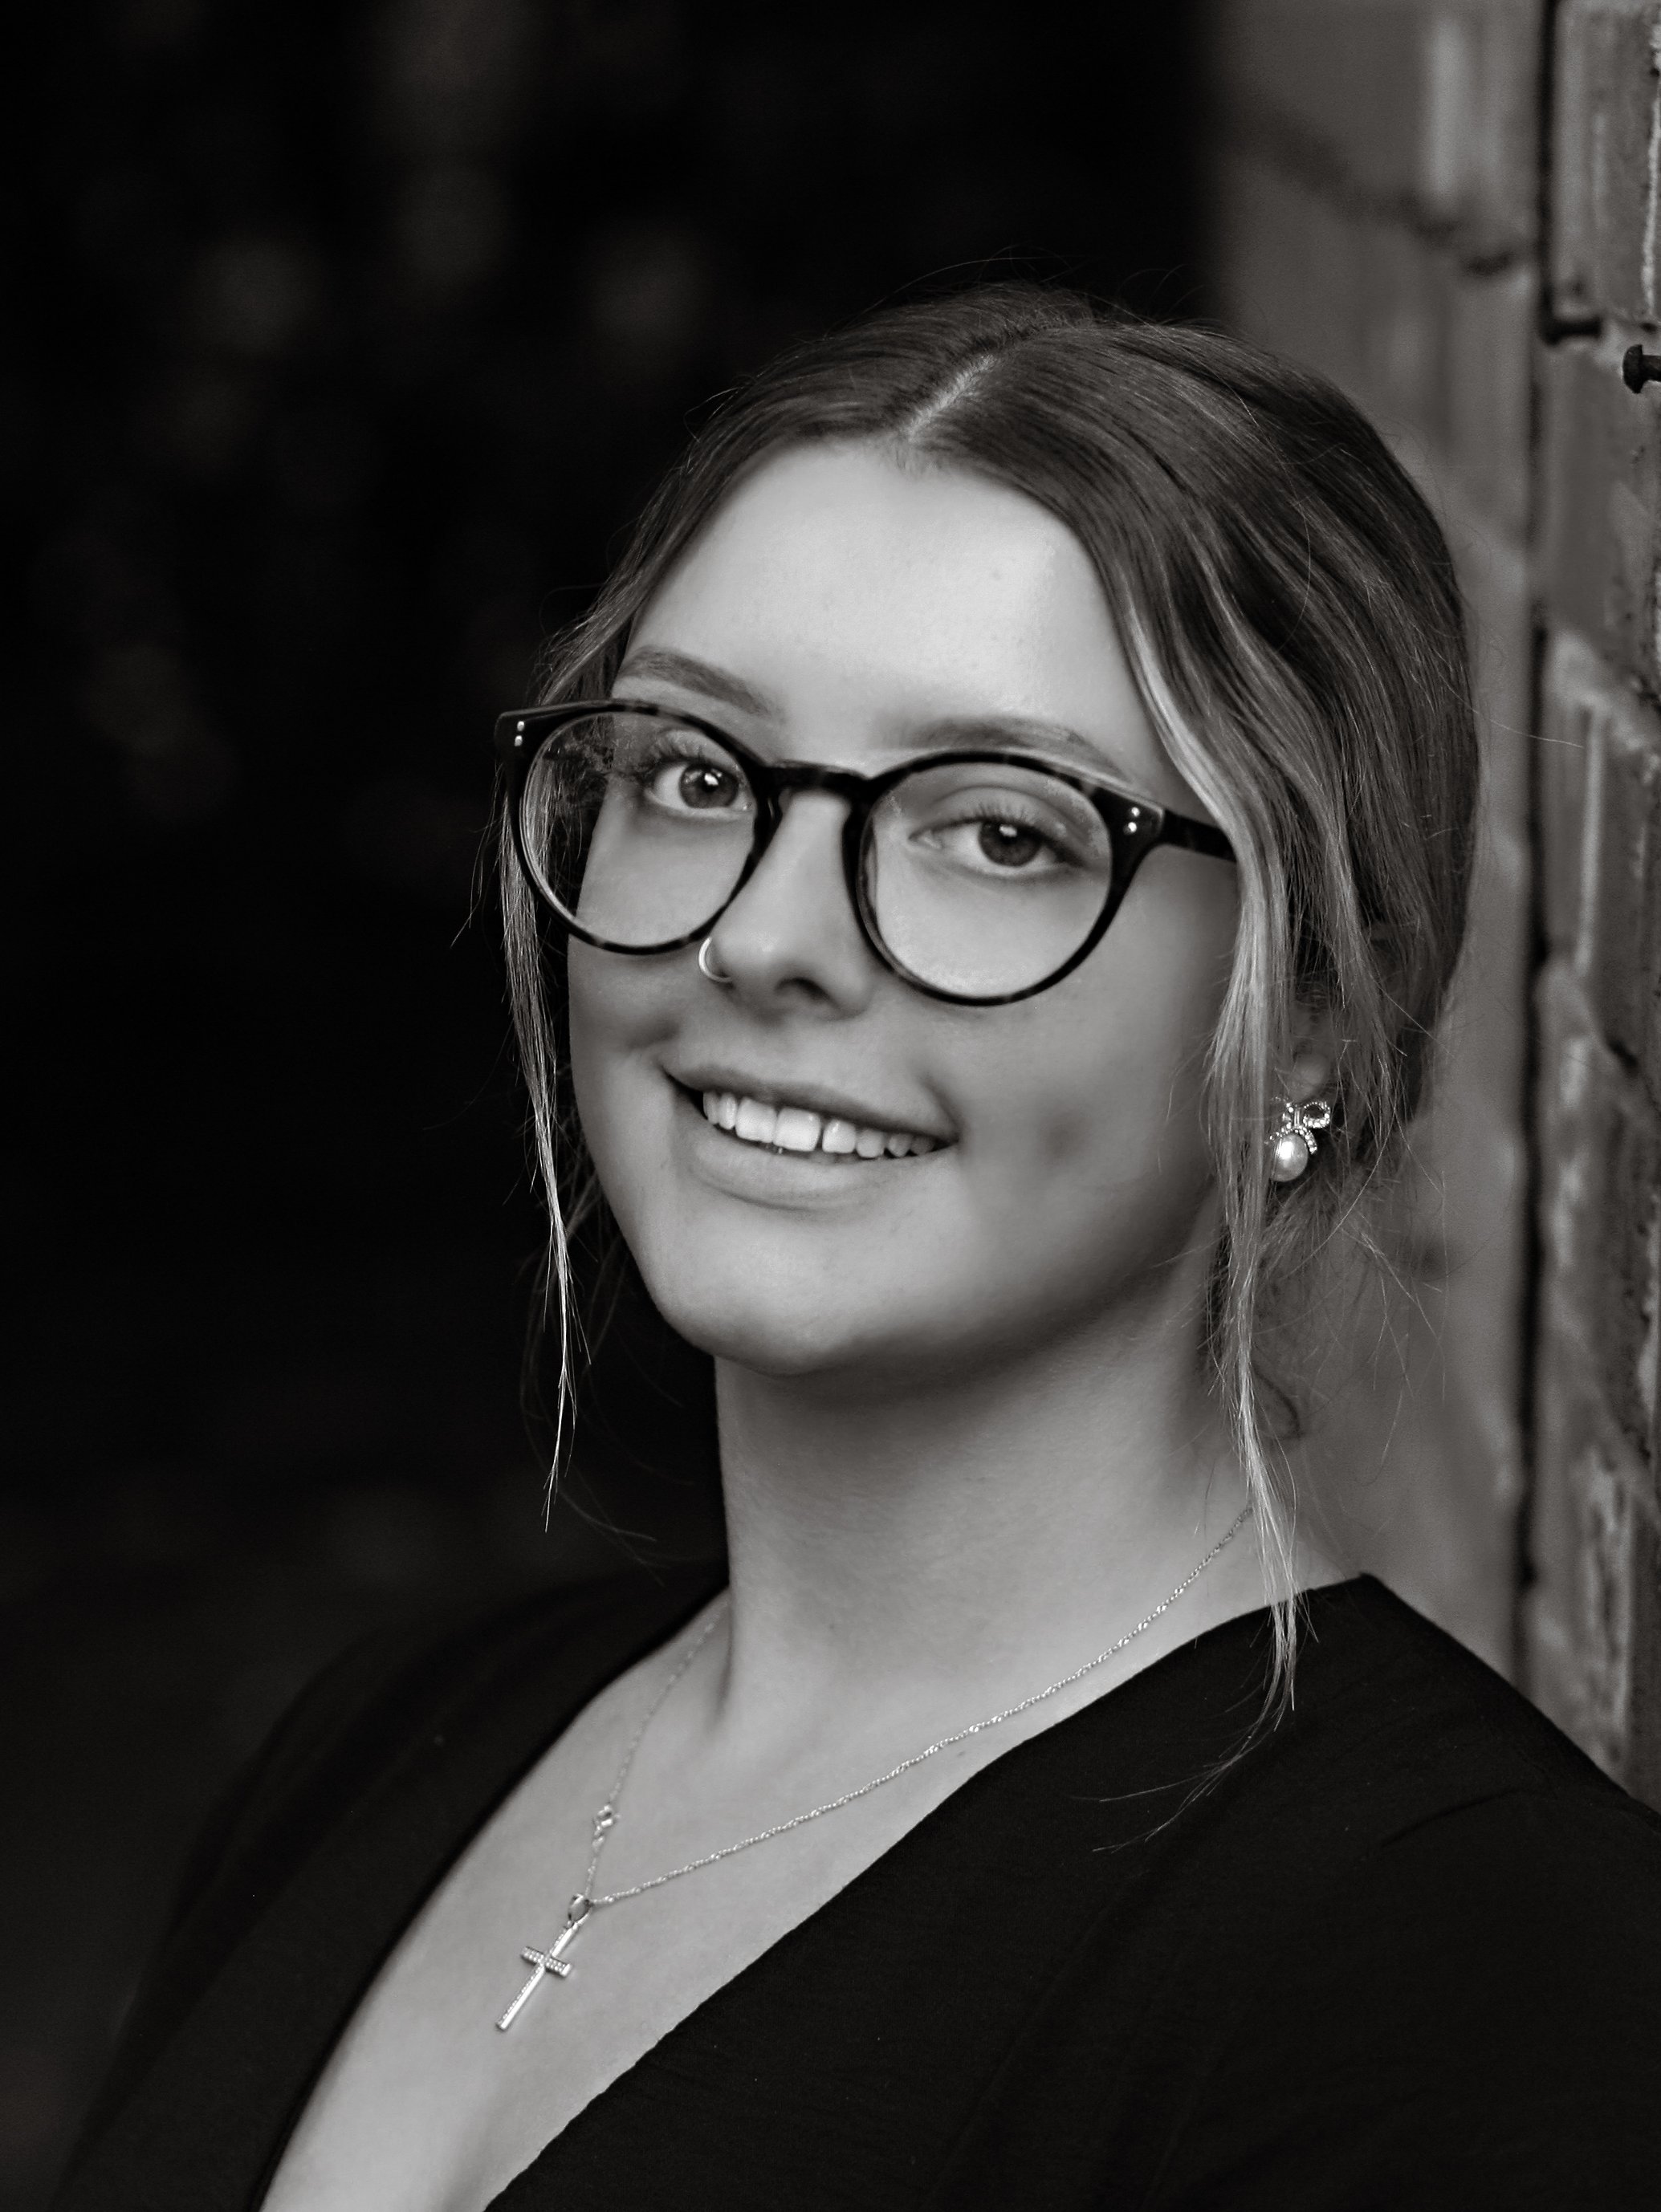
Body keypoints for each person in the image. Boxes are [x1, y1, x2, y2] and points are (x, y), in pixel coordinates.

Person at [55, 286, 1661, 2212]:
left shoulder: (1457, 1975)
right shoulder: (399, 1732)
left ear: (1313, 1007)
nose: (766, 938)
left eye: (996, 830)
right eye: (697, 775)